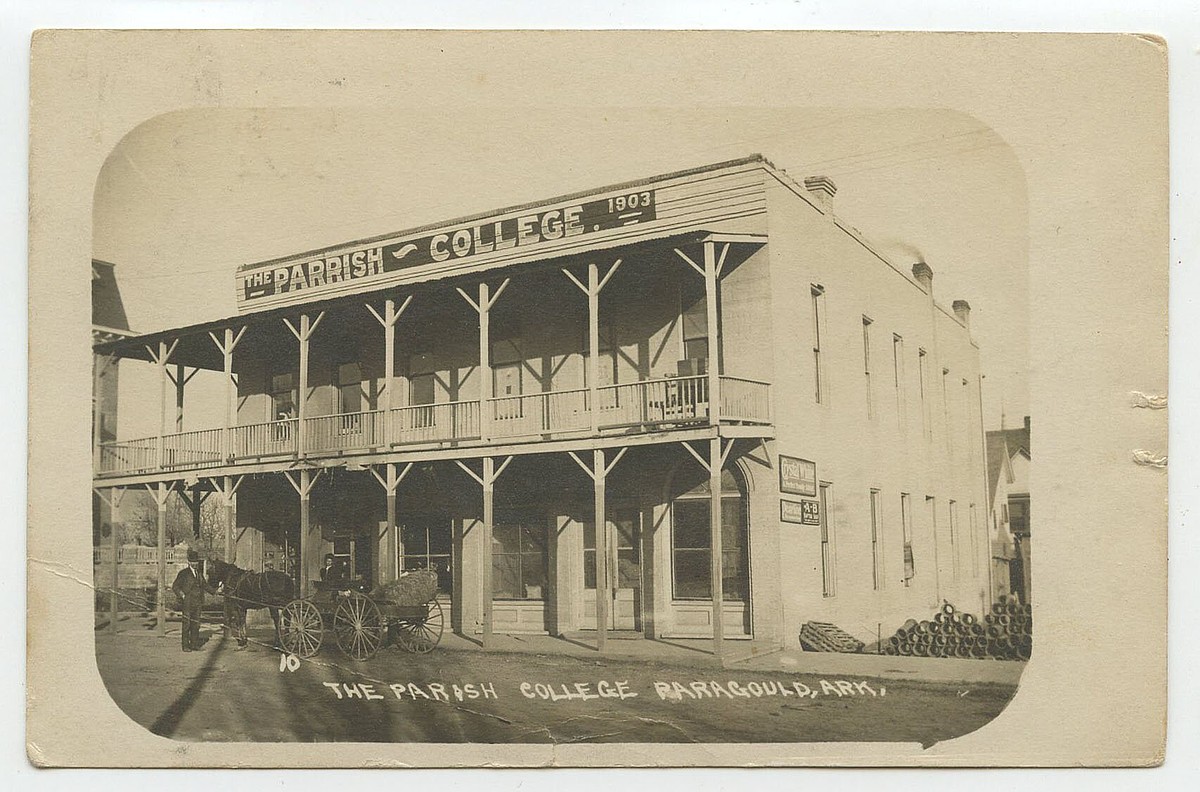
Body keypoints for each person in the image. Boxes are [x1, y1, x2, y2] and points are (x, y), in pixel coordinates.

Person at [171, 549, 212, 652]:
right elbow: (175, 586)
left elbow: (205, 585)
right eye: (193, 562)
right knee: (186, 625)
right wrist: (182, 595)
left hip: (198, 603)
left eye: (196, 562)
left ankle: (194, 644)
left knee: (196, 624)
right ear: (188, 562)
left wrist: (215, 591)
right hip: (188, 603)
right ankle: (185, 646)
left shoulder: (199, 573)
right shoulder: (183, 573)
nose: (195, 564)